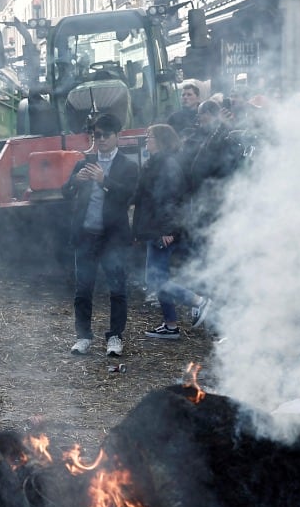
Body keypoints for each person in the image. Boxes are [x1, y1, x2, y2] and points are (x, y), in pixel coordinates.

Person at [65, 112, 139, 357]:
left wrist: (104, 180)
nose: (102, 139)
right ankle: (83, 336)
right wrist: (76, 180)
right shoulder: (84, 161)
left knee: (117, 289)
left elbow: (127, 195)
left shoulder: (128, 166)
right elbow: (65, 191)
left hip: (113, 238)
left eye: (106, 135)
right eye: (97, 135)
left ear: (118, 136)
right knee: (83, 290)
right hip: (86, 235)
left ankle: (115, 336)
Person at [134, 123, 199, 339]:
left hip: (163, 229)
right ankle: (170, 325)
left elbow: (172, 198)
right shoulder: (155, 162)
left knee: (155, 280)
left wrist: (168, 229)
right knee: (156, 277)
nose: (146, 140)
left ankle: (197, 301)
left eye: (150, 137)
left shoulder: (168, 163)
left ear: (161, 140)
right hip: (155, 228)